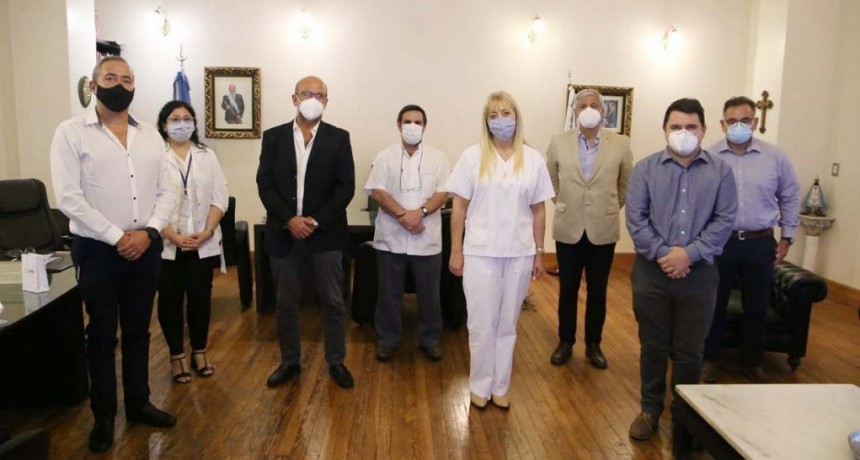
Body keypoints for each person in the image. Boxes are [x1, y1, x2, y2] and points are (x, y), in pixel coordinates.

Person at [50, 56, 177, 453]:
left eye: (126, 79)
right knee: (102, 334)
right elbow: (69, 197)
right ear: (93, 85)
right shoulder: (71, 132)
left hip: (146, 246)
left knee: (139, 330)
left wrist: (150, 231)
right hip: (98, 249)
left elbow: (168, 190)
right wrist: (117, 236)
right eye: (110, 77)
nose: (119, 85)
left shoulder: (150, 135)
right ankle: (104, 415)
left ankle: (139, 403)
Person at [625, 98, 737, 440]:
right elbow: (636, 219)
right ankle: (650, 410)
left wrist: (689, 255)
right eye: (676, 127)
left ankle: (685, 416)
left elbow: (724, 219)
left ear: (703, 130)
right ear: (664, 130)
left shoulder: (721, 171)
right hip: (651, 273)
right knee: (653, 346)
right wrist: (666, 255)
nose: (683, 133)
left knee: (690, 351)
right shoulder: (645, 169)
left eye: (691, 127)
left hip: (699, 275)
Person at [446, 91, 554, 410]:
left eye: (505, 113)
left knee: (508, 323)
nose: (500, 120)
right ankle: (480, 384)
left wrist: (539, 252)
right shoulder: (472, 157)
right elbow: (459, 206)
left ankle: (500, 386)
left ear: (516, 117)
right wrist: (456, 250)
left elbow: (539, 209)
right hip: (480, 252)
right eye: (493, 115)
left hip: (519, 252)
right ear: (486, 121)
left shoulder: (532, 159)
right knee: (482, 323)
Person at [256, 76, 356, 389]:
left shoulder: (339, 138)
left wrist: (314, 221)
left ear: (327, 101)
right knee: (286, 303)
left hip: (326, 234)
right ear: (294, 98)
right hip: (284, 233)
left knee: (333, 302)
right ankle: (289, 361)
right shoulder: (273, 137)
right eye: (307, 93)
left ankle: (336, 361)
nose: (313, 99)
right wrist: (289, 219)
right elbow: (265, 183)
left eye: (320, 95)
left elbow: (346, 187)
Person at [702, 96, 801, 383]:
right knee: (714, 303)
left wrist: (787, 237)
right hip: (721, 242)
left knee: (757, 305)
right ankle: (710, 358)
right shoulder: (710, 157)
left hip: (760, 242)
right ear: (722, 124)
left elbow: (790, 195)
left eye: (745, 120)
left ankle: (752, 361)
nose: (739, 126)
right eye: (732, 121)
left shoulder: (775, 157)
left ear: (755, 122)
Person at [546, 88, 633, 369]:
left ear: (603, 110)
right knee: (567, 289)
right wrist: (566, 204)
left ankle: (594, 344)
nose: (588, 110)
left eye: (594, 105)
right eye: (582, 105)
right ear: (575, 112)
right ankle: (565, 341)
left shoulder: (620, 143)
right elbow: (551, 181)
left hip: (603, 228)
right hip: (568, 226)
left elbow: (625, 185)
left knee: (598, 290)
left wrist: (607, 207)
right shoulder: (558, 142)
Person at [364, 104, 450, 362]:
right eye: (407, 122)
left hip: (426, 239)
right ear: (398, 125)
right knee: (388, 295)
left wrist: (419, 213)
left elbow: (443, 193)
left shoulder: (439, 157)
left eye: (418, 122)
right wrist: (404, 215)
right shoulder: (384, 157)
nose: (413, 126)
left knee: (429, 296)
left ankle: (430, 340)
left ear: (425, 126)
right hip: (390, 239)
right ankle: (387, 340)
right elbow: (377, 191)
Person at [155, 100, 229, 384]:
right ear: (164, 125)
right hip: (167, 243)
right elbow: (148, 201)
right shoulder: (155, 156)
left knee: (200, 298)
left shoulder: (206, 155)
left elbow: (220, 197)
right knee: (170, 299)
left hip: (202, 241)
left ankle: (199, 351)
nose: (182, 124)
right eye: (175, 119)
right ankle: (176, 356)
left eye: (187, 118)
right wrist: (171, 235)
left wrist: (208, 231)